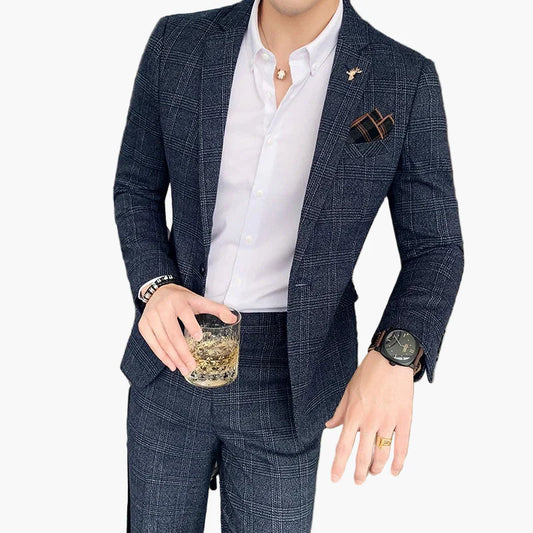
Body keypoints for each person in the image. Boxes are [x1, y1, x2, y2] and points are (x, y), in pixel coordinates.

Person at [113, 0, 464, 530]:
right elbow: (135, 186)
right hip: (171, 356)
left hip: (291, 381)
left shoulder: (403, 80)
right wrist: (155, 287)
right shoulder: (178, 44)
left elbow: (436, 248)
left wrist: (395, 354)